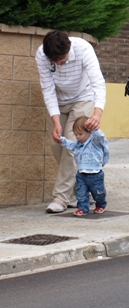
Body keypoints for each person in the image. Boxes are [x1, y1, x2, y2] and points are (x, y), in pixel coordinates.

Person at [36, 30, 106, 214]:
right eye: (55, 61)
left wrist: (97, 113)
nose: (59, 64)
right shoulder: (42, 55)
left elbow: (98, 82)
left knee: (71, 143)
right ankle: (82, 190)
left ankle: (61, 197)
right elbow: (48, 88)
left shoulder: (83, 49)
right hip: (58, 102)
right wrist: (56, 120)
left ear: (68, 48)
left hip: (82, 97)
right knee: (57, 143)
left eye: (63, 59)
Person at [59, 116, 109, 217]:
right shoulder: (78, 144)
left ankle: (100, 204)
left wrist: (94, 128)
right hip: (81, 173)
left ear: (89, 132)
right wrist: (62, 140)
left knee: (98, 193)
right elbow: (71, 146)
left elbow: (101, 137)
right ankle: (82, 208)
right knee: (81, 193)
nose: (78, 137)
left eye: (80, 134)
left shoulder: (95, 141)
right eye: (76, 134)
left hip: (95, 174)